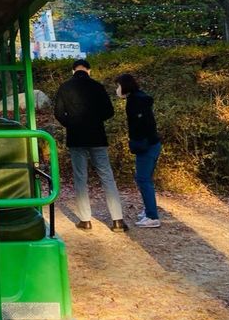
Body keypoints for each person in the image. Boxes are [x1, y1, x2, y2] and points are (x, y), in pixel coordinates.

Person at [54, 58, 127, 232]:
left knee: (80, 177)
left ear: (73, 71)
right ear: (89, 70)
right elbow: (109, 111)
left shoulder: (64, 87)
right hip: (97, 137)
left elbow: (58, 113)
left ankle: (85, 220)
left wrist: (71, 123)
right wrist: (94, 121)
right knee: (106, 175)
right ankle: (117, 220)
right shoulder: (97, 86)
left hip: (76, 137)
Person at [116, 73, 162, 228]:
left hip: (146, 146)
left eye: (118, 86)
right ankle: (149, 210)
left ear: (125, 86)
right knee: (144, 178)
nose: (117, 89)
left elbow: (143, 125)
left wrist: (139, 141)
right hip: (152, 144)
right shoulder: (140, 98)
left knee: (143, 179)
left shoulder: (135, 101)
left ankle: (152, 216)